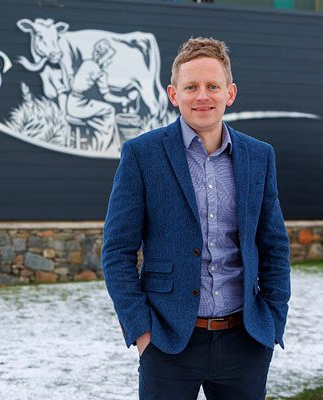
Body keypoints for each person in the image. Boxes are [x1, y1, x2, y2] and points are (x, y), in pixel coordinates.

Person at [101, 37, 290, 400]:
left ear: (230, 93)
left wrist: (272, 319)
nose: (202, 96)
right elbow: (117, 250)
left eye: (212, 86)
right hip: (168, 342)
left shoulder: (259, 156)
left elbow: (274, 246)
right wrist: (142, 331)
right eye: (191, 87)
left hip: (246, 341)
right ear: (174, 94)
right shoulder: (142, 155)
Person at [66, 39, 131, 151]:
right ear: (103, 57)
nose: (110, 62)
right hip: (79, 106)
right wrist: (122, 100)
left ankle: (101, 140)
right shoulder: (98, 71)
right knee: (109, 110)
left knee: (102, 110)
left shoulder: (87, 64)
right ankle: (103, 146)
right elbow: (107, 96)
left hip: (72, 101)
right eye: (109, 58)